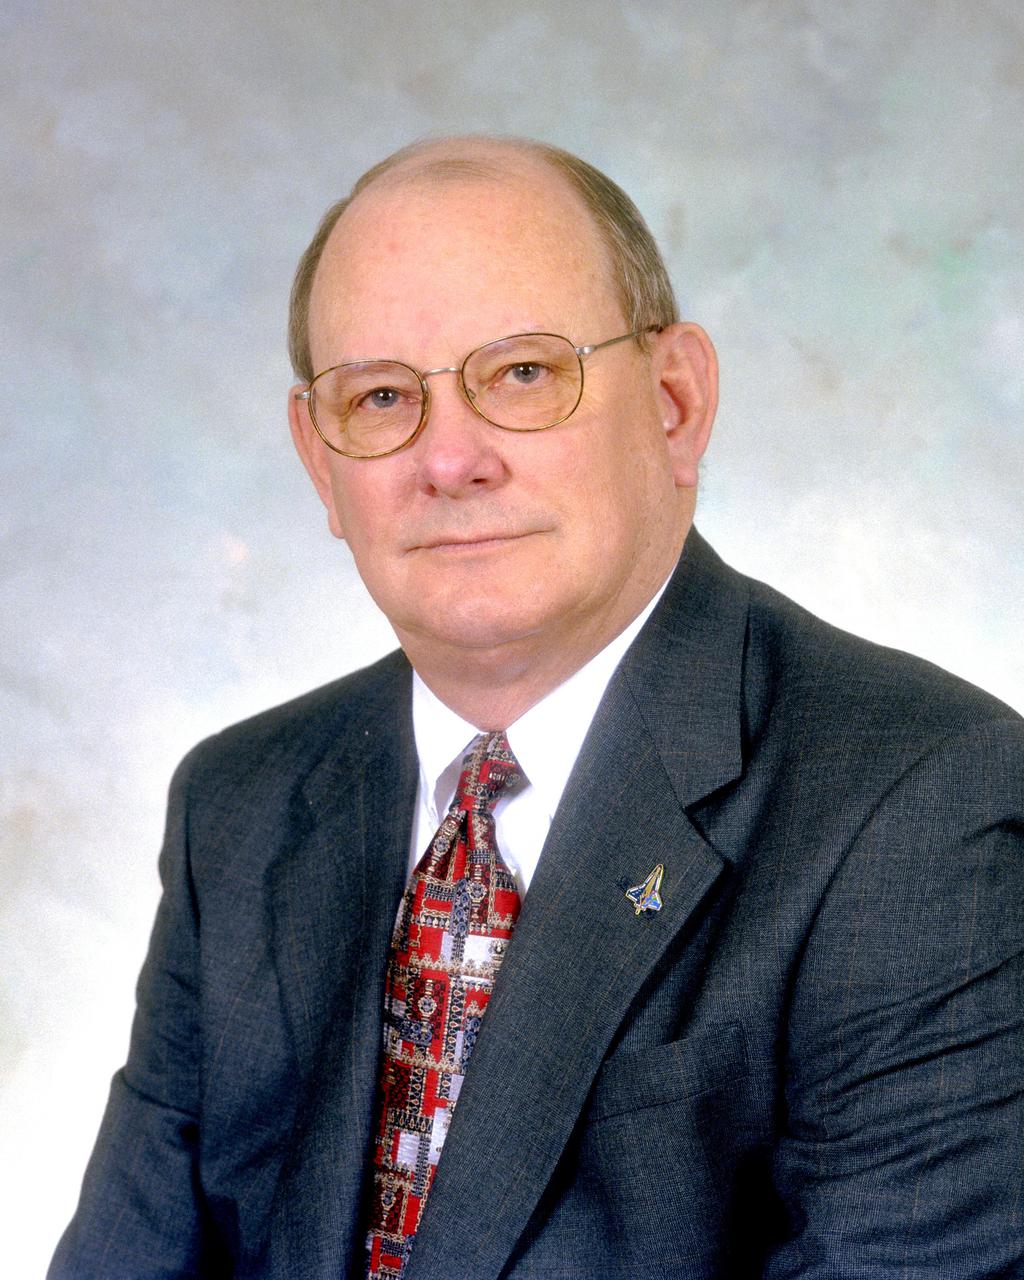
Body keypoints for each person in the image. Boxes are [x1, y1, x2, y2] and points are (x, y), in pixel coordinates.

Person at [51, 136, 1024, 1280]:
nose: (450, 458)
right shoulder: (242, 802)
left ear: (674, 403)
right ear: (321, 466)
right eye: (380, 397)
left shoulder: (920, 803)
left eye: (522, 373)